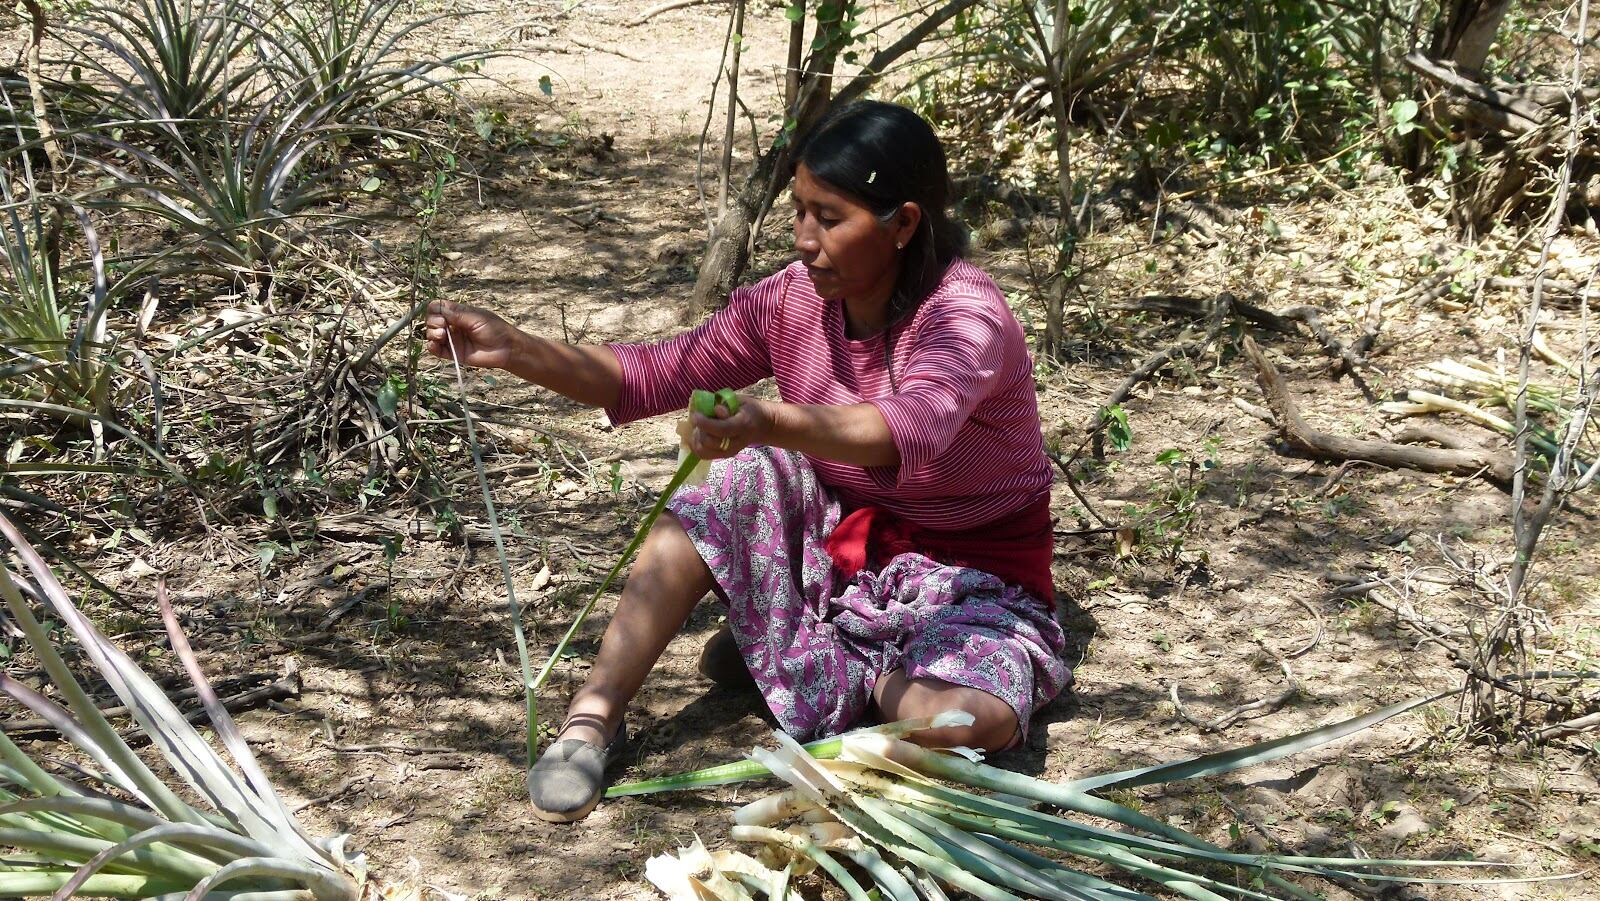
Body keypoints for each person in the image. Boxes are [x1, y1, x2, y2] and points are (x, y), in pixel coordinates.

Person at [424, 100, 1070, 823]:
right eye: (799, 211)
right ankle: (594, 716)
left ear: (905, 223)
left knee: (959, 726)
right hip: (841, 550)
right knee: (731, 477)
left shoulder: (963, 314)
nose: (803, 239)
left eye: (830, 218)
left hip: (977, 586)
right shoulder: (792, 300)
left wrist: (768, 418)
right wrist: (515, 349)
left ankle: (812, 654)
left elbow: (909, 424)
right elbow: (653, 372)